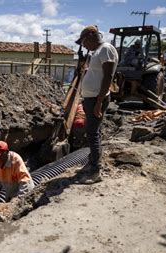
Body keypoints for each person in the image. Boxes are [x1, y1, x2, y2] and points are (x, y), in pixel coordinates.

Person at [75, 25, 118, 184]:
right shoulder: (97, 52)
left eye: (84, 41)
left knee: (93, 134)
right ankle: (91, 162)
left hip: (96, 99)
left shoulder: (106, 49)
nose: (84, 45)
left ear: (92, 35)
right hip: (91, 98)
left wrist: (99, 102)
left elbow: (108, 77)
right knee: (92, 132)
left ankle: (95, 171)